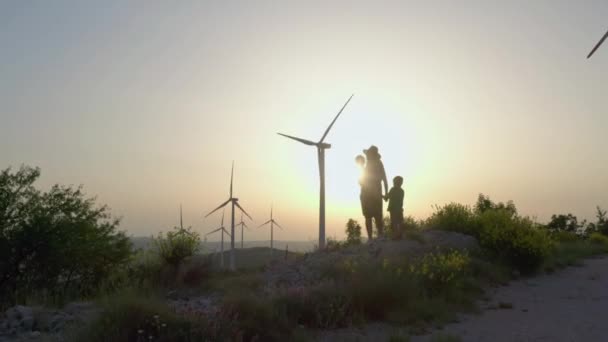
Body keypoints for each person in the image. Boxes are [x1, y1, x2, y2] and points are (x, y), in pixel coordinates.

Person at [360, 145, 388, 240]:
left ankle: (372, 237)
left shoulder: (374, 164)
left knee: (371, 215)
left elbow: (383, 178)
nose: (367, 156)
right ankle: (378, 236)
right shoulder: (376, 164)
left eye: (368, 154)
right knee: (376, 215)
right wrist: (386, 192)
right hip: (374, 192)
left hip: (369, 193)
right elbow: (384, 179)